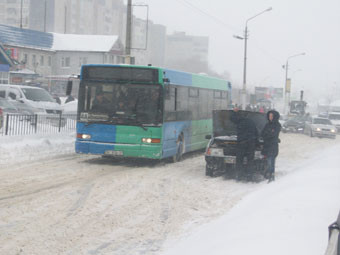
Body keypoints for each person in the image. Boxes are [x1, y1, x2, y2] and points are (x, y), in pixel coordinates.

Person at [230, 108, 259, 181]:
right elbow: (256, 133)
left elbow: (232, 118)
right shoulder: (251, 122)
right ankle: (249, 176)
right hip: (250, 144)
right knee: (250, 160)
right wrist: (256, 143)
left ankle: (239, 176)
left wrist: (234, 112)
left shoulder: (240, 121)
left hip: (242, 144)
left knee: (239, 160)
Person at [261, 110, 281, 183]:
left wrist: (268, 135)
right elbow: (263, 133)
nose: (270, 117)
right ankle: (269, 174)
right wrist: (268, 134)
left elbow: (273, 135)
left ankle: (271, 176)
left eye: (272, 116)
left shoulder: (277, 125)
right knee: (268, 161)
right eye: (269, 116)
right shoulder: (267, 124)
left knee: (271, 162)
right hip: (267, 146)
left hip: (273, 146)